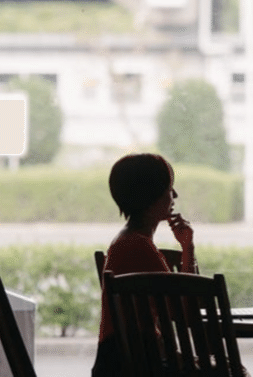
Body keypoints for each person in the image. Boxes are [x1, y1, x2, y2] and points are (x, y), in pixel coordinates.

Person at [92, 153, 196, 377]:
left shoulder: (126, 241)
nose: (174, 195)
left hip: (119, 362)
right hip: (142, 365)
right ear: (152, 196)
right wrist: (188, 248)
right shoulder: (139, 247)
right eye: (169, 188)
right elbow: (185, 313)